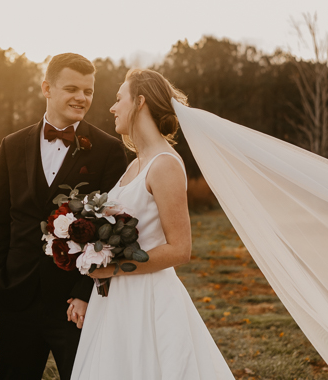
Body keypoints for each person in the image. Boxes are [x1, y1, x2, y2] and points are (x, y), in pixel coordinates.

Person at [71, 68, 234, 379]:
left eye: (119, 98)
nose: (112, 107)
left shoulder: (165, 165)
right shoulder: (135, 164)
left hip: (148, 299)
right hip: (116, 299)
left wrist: (114, 266)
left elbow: (180, 249)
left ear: (140, 102)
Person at [0, 53, 128, 380]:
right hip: (15, 296)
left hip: (73, 304)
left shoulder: (107, 150)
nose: (81, 98)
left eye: (88, 91)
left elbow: (109, 229)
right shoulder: (12, 145)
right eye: (72, 88)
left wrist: (84, 291)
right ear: (47, 88)